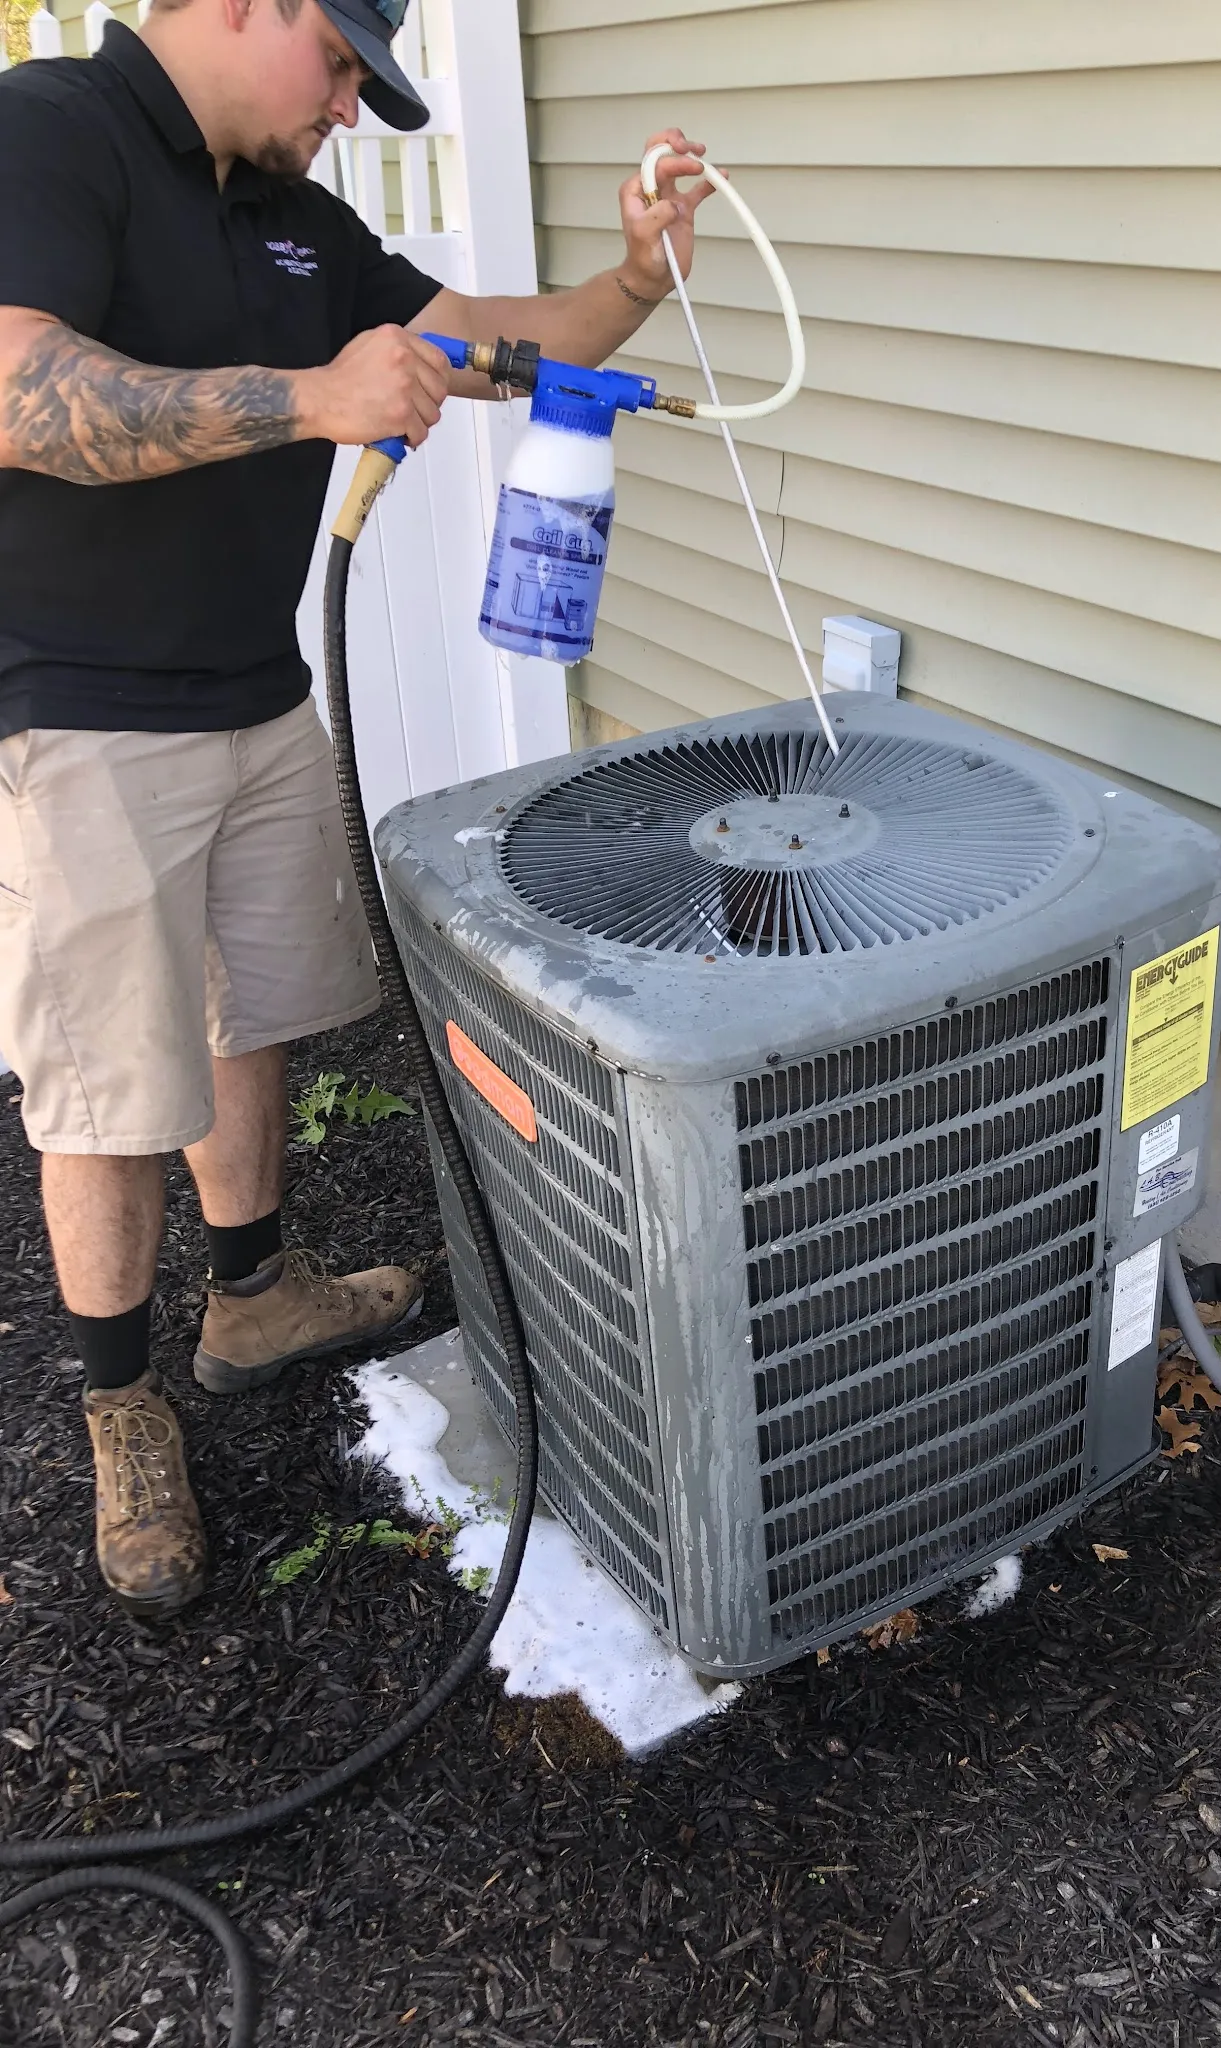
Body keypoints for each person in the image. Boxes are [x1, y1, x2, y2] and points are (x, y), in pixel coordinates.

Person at [0, 0, 713, 1620]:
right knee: (108, 1088)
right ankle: (121, 1404)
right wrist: (304, 400)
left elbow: (494, 338)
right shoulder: (50, 130)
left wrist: (638, 278)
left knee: (249, 1014)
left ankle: (252, 1294)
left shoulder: (294, 221)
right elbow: (21, 390)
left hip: (255, 694)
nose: (346, 108)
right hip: (80, 716)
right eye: (337, 66)